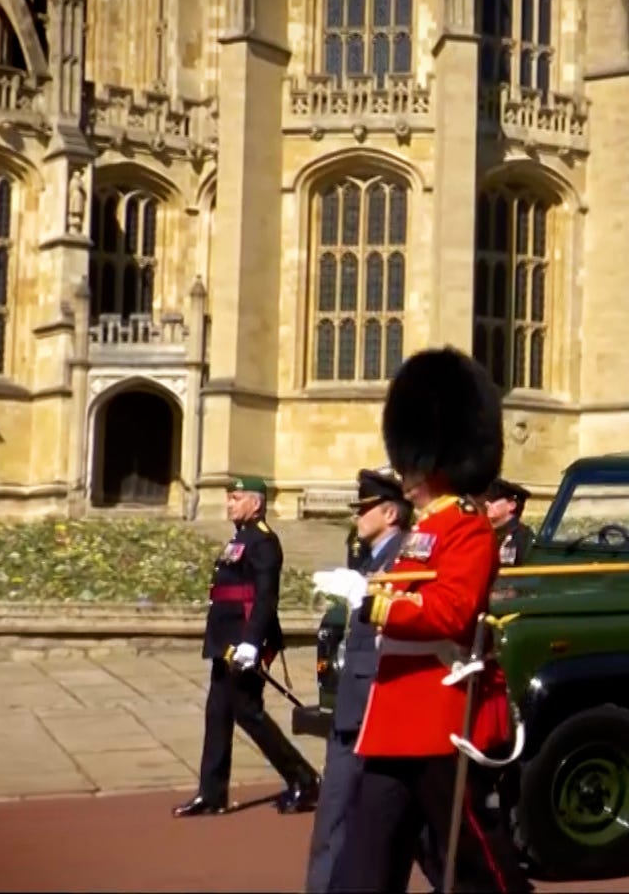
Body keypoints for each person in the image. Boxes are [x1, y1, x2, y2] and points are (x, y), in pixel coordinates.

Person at [314, 348, 529, 893]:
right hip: (394, 716)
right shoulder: (420, 532)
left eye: (411, 463)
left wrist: (373, 603)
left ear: (437, 458)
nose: (403, 474)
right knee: (365, 862)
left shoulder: (467, 527)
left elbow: (452, 612)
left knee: (474, 859)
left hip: (440, 718)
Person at [303, 468, 442, 894]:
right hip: (355, 700)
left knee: (352, 818)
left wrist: (364, 592)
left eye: (364, 510)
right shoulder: (372, 554)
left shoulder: (405, 554)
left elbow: (408, 617)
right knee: (361, 820)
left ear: (389, 512)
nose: (357, 518)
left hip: (375, 705)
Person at [174, 475, 321, 818]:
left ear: (255, 503)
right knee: (218, 713)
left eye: (236, 497)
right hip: (226, 639)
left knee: (247, 712)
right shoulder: (240, 539)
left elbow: (265, 597)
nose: (229, 503)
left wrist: (252, 643)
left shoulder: (264, 542)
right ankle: (211, 794)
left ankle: (303, 777)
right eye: (229, 497)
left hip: (244, 640)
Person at [482, 478, 534, 567]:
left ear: (511, 505)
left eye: (492, 500)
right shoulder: (478, 530)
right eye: (482, 499)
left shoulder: (520, 537)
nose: (485, 504)